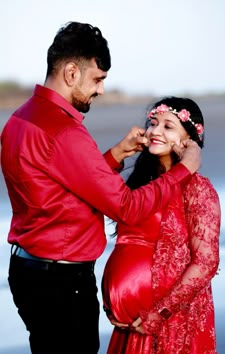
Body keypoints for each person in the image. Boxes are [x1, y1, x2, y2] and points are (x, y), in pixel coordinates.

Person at [0, 21, 201, 354]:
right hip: (61, 285)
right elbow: (127, 208)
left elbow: (59, 188)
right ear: (70, 73)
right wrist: (183, 170)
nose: (101, 90)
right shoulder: (65, 133)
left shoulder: (20, 119)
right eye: (97, 79)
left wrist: (116, 154)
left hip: (27, 271)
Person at [102, 96, 221, 353]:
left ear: (189, 140)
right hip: (129, 325)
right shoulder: (140, 184)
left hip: (170, 321)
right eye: (153, 123)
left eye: (168, 126)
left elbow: (206, 263)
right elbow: (94, 192)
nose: (155, 131)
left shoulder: (197, 188)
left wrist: (159, 314)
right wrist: (112, 302)